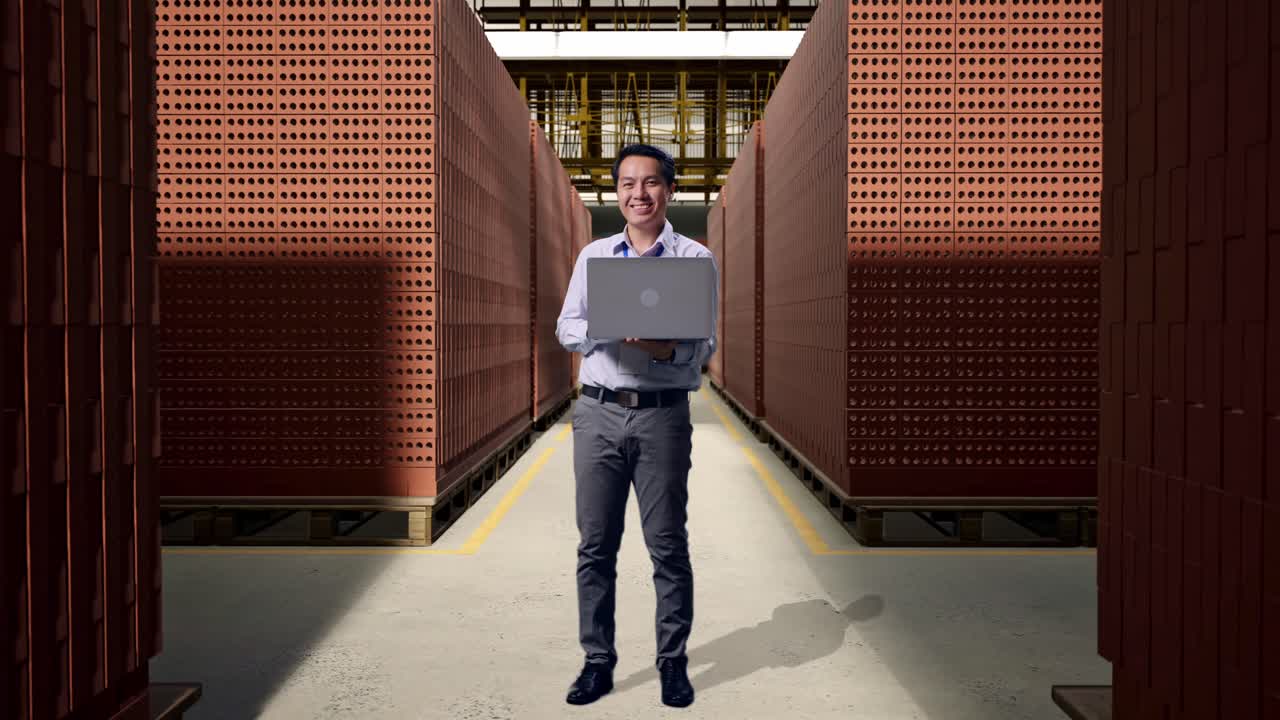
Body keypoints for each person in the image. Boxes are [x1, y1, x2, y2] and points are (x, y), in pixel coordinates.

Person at [555, 144, 718, 708]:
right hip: (598, 411)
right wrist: (609, 327)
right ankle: (597, 661)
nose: (638, 194)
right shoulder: (594, 257)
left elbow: (701, 347)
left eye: (650, 183)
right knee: (596, 545)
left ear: (669, 190)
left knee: (667, 544)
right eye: (627, 183)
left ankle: (672, 662)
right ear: (617, 193)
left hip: (662, 416)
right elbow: (566, 327)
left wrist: (660, 344)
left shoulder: (694, 259)